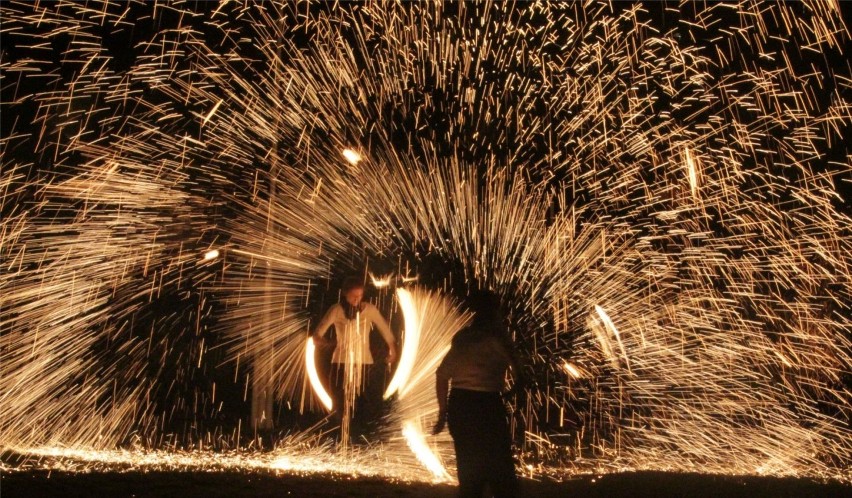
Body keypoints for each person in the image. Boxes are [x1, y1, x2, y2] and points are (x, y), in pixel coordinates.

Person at [432, 289, 523, 498]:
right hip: (487, 404)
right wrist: (510, 395)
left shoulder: (462, 337)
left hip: (460, 404)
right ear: (495, 311)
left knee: (468, 464)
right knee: (499, 466)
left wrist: (443, 412)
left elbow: (442, 376)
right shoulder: (500, 337)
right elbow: (520, 374)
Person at [312, 276, 397, 440]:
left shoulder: (370, 310)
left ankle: (362, 440)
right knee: (340, 404)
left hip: (363, 364)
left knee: (364, 405)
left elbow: (385, 330)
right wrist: (324, 343)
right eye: (353, 296)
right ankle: (341, 440)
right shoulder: (336, 310)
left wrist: (393, 350)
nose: (357, 300)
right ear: (345, 294)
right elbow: (317, 335)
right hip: (341, 364)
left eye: (360, 296)